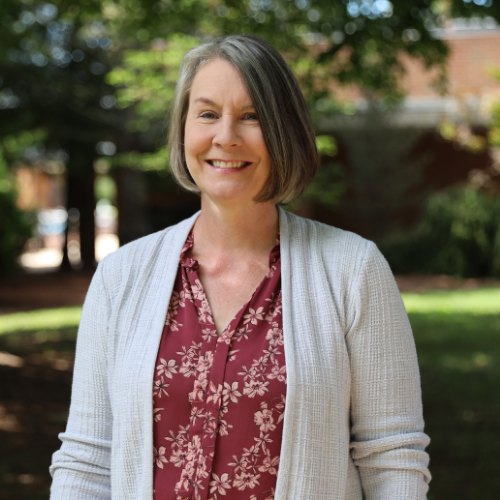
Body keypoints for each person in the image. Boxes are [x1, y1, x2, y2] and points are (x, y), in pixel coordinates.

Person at [49, 34, 431, 500]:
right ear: (184, 128)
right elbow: (87, 461)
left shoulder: (353, 271)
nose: (225, 136)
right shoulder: (120, 277)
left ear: (283, 131)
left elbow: (392, 458)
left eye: (251, 116)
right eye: (207, 114)